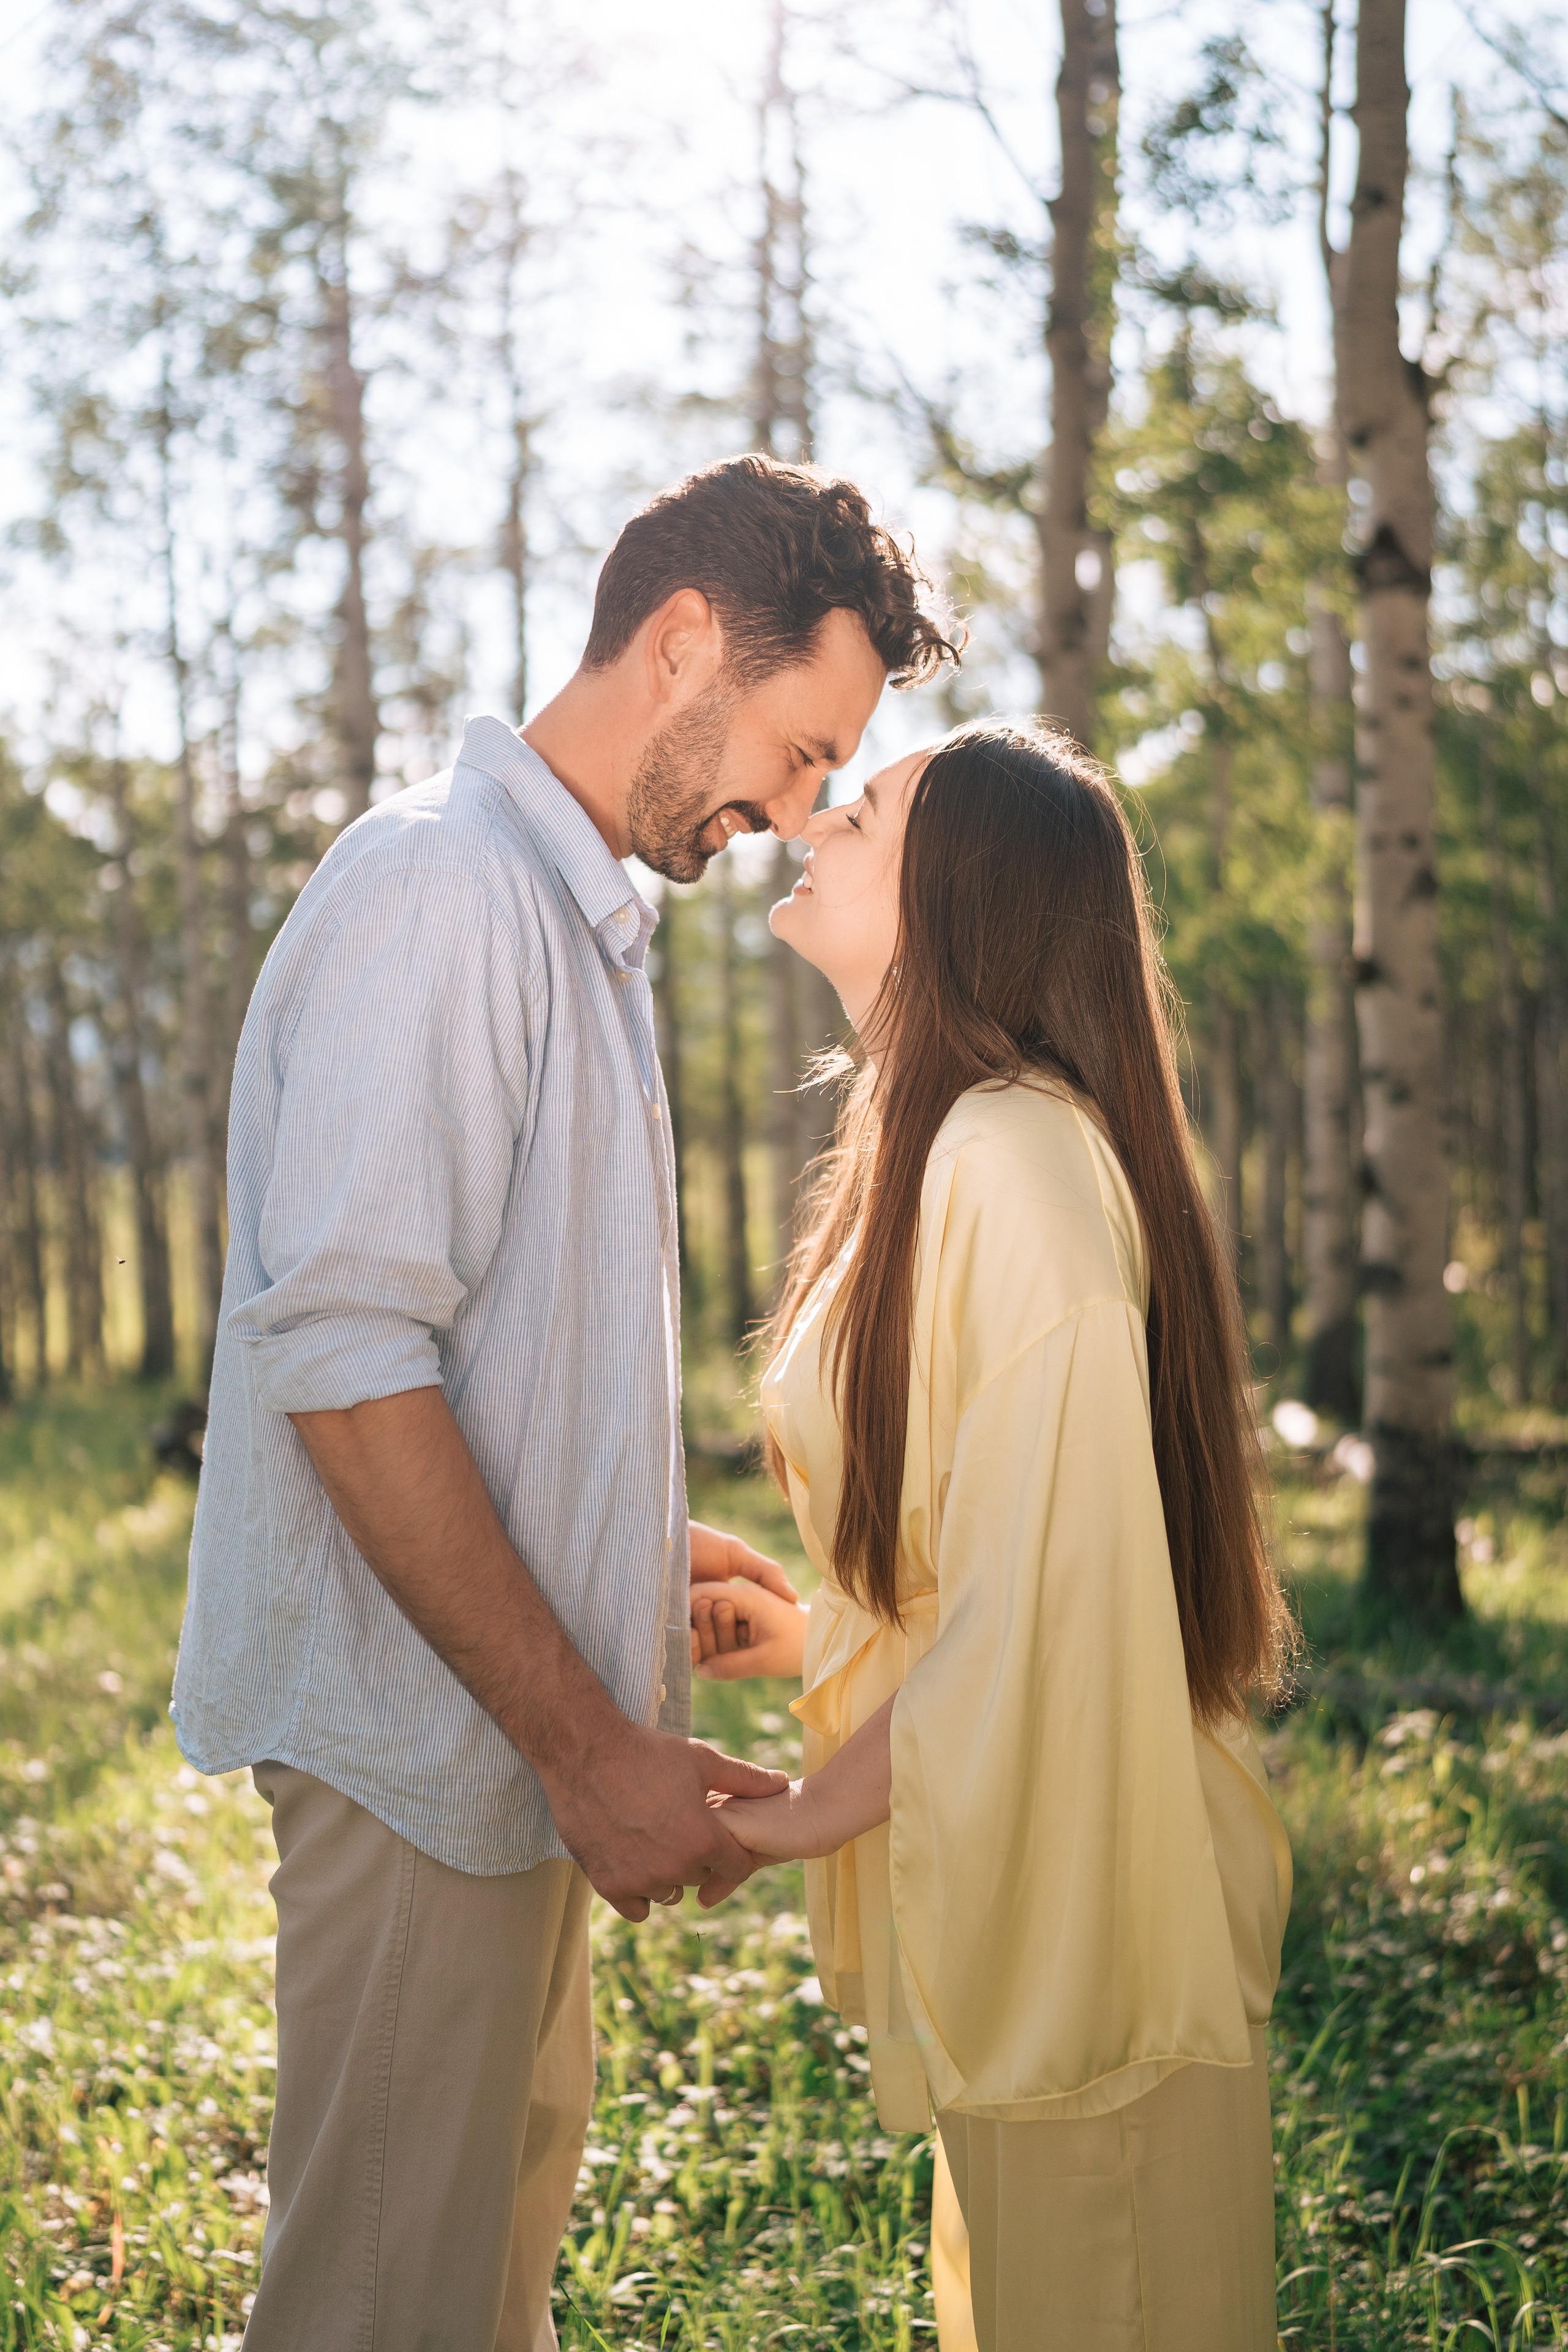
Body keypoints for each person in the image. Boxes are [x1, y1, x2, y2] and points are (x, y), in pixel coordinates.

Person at [171, 453, 959, 2351]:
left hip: (497, 1755)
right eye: (801, 747)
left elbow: (467, 1345)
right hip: (422, 1756)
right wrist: (591, 1746)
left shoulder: (565, 915)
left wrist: (615, 1543)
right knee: (379, 2314)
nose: (799, 810)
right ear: (683, 642)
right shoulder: (444, 890)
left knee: (480, 2302)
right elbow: (344, 1358)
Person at [689, 720, 1295, 2352]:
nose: (815, 819)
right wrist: (813, 1638)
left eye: (865, 809)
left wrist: (797, 1817)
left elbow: (1052, 1609)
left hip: (1096, 1907)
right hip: (1029, 1874)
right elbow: (1004, 1559)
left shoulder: (1013, 1164)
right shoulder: (944, 1147)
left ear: (963, 893)